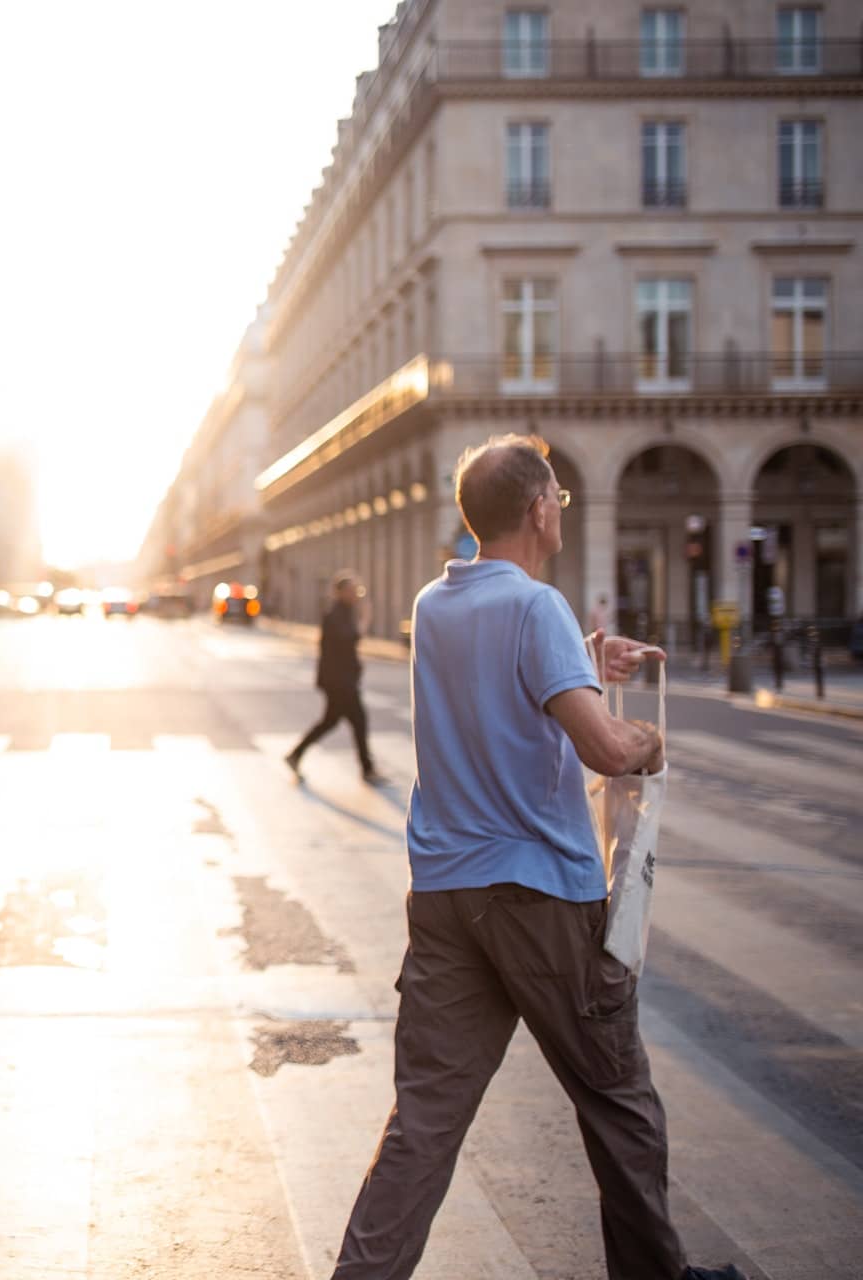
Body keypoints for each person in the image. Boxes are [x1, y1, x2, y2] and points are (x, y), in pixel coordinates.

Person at [331, 435, 742, 1280]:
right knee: (619, 1102)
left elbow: (496, 695)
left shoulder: (437, 604)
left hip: (447, 898)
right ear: (538, 508)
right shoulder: (535, 605)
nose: (562, 506)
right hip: (539, 900)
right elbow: (603, 749)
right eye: (557, 494)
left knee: (425, 1124)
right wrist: (651, 742)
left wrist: (584, 664)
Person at [285, 571, 383, 785]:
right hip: (339, 681)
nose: (357, 595)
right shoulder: (335, 614)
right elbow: (349, 641)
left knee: (331, 721)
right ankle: (367, 769)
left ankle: (296, 754)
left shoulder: (344, 612)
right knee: (358, 720)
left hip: (340, 679)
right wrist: (365, 620)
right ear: (340, 592)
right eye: (353, 590)